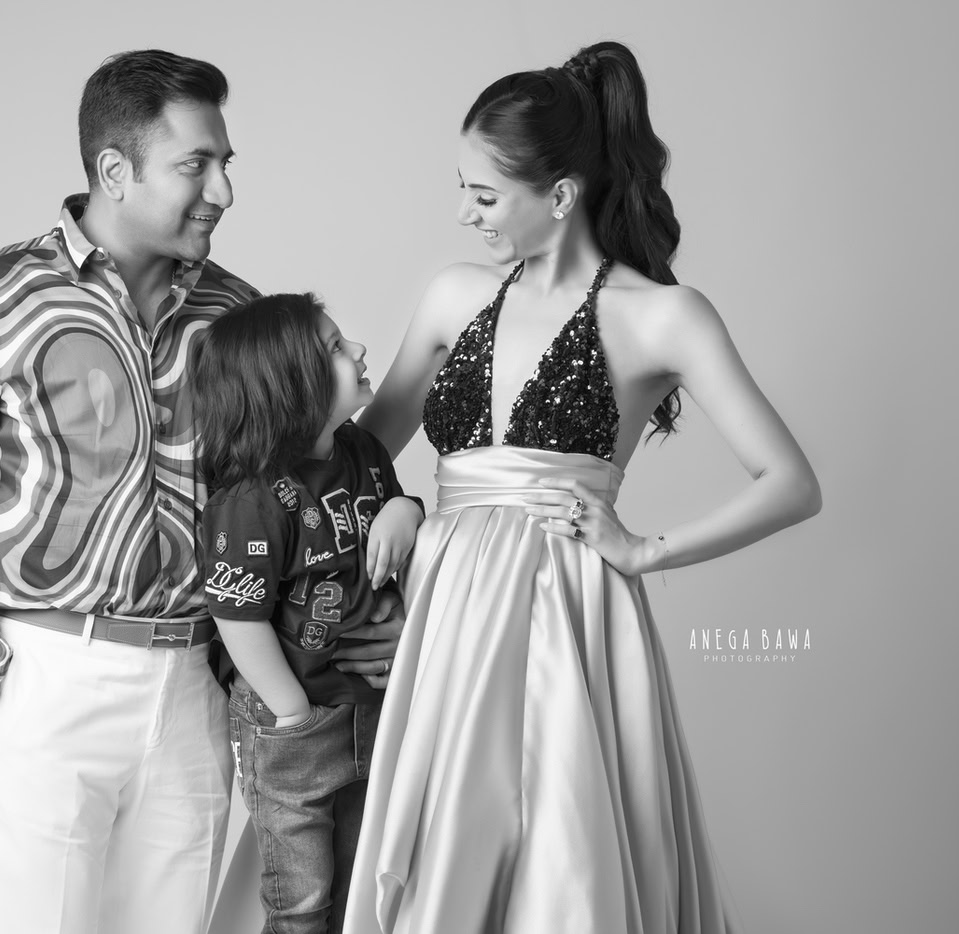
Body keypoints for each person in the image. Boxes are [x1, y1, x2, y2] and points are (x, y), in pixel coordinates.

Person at [0, 50, 402, 934]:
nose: (223, 192)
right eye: (196, 165)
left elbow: (308, 487)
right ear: (114, 171)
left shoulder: (239, 318)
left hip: (199, 689)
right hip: (48, 677)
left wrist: (369, 594)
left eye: (225, 165)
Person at [342, 41, 822, 934]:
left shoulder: (661, 316)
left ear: (560, 196)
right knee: (441, 847)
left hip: (563, 605)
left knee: (559, 854)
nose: (462, 213)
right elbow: (364, 448)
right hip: (439, 605)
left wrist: (645, 552)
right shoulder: (454, 297)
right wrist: (401, 503)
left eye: (484, 196)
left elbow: (791, 482)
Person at [192, 294, 424, 934]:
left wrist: (407, 512)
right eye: (336, 347)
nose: (359, 351)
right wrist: (290, 712)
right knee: (300, 901)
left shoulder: (364, 453)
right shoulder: (252, 499)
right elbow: (239, 619)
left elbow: (395, 505)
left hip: (363, 710)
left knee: (355, 887)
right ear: (290, 387)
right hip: (291, 724)